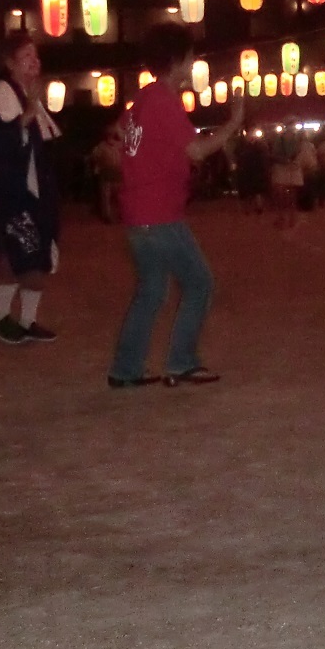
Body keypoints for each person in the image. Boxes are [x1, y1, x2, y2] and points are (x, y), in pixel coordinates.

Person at [108, 23, 244, 389]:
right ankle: (181, 362)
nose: (194, 62)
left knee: (151, 290)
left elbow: (117, 134)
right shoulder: (164, 101)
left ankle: (126, 369)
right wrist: (233, 123)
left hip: (138, 213)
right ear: (178, 60)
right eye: (191, 56)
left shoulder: (145, 97)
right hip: (159, 213)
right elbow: (197, 151)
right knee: (200, 284)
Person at [0, 32, 62, 344]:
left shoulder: (24, 94)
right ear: (9, 62)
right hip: (11, 195)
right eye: (26, 55)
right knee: (25, 258)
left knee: (28, 257)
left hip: (30, 192)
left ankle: (25, 320)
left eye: (35, 54)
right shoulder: (3, 91)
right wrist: (31, 108)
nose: (34, 60)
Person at [90, 126, 124, 223]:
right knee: (106, 195)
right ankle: (107, 216)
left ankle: (118, 214)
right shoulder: (102, 146)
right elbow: (94, 157)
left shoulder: (118, 145)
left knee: (116, 195)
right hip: (107, 172)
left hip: (116, 172)